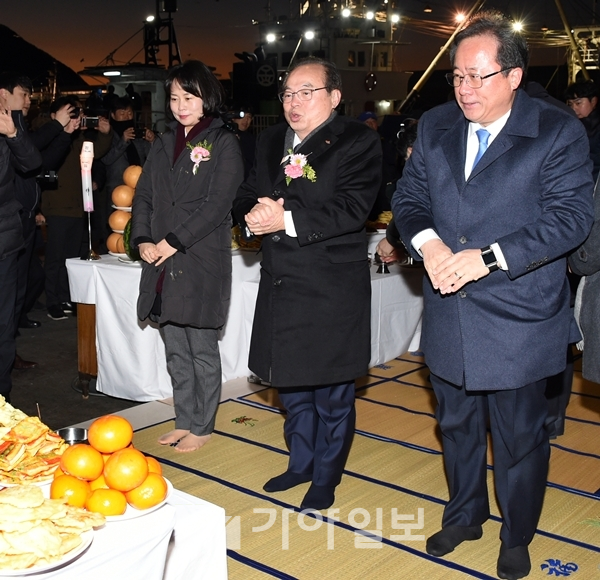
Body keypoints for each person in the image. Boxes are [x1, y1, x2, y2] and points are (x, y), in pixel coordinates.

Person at [392, 11, 594, 580]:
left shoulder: (556, 131)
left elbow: (571, 219)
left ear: (514, 76)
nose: (465, 89)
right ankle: (464, 514)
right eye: (458, 76)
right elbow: (408, 200)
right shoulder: (435, 126)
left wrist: (486, 258)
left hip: (520, 315)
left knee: (519, 438)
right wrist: (428, 246)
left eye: (480, 77)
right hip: (449, 308)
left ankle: (518, 534)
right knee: (454, 426)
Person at [233, 57, 382, 510]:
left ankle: (327, 475)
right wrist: (251, 215)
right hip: (282, 281)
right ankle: (300, 461)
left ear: (334, 98)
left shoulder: (357, 141)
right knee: (290, 383)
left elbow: (352, 208)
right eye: (287, 94)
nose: (293, 103)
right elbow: (247, 190)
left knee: (332, 391)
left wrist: (287, 218)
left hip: (330, 287)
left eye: (306, 92)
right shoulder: (272, 139)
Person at [131, 60, 243, 453]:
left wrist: (172, 242)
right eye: (175, 97)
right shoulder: (163, 142)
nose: (181, 105)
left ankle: (203, 425)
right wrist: (143, 238)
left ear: (206, 97)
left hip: (198, 259)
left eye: (189, 96)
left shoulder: (223, 142)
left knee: (201, 348)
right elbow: (143, 195)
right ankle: (184, 418)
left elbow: (217, 207)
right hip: (161, 259)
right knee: (174, 346)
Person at [41, 97, 112, 321]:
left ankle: (64, 297)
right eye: (70, 114)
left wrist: (105, 132)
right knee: (54, 258)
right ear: (55, 115)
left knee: (70, 259)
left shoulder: (79, 140)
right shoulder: (48, 137)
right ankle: (52, 301)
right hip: (57, 207)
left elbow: (98, 151)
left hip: (77, 207)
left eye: (77, 114)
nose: (75, 119)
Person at [0, 82, 42, 402]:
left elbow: (31, 164)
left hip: (4, 242)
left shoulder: (8, 124)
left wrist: (13, 134)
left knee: (3, 325)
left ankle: (2, 399)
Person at [100, 97, 154, 248]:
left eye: (129, 113)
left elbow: (149, 159)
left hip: (138, 189)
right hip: (116, 189)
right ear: (113, 115)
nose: (126, 116)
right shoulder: (108, 134)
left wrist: (151, 141)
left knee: (137, 225)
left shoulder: (137, 134)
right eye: (122, 112)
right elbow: (106, 159)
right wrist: (123, 141)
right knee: (115, 230)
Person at [565, 80, 600, 179]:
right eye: (570, 104)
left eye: (578, 103)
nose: (573, 108)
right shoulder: (571, 124)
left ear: (593, 101)